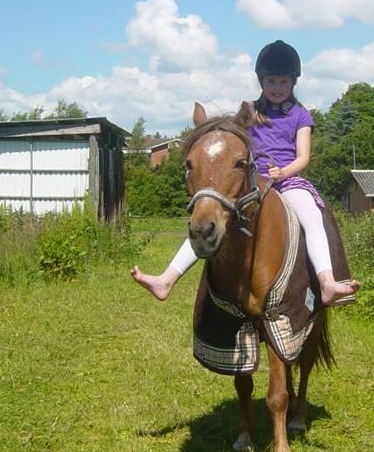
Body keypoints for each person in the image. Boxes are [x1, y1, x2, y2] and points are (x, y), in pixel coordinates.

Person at [131, 40, 360, 306]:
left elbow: (304, 157)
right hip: (251, 182)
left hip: (287, 180)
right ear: (261, 81)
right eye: (271, 81)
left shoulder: (301, 115)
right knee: (210, 216)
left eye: (283, 82)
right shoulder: (249, 112)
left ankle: (327, 281)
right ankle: (166, 279)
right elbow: (231, 145)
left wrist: (283, 172)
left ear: (293, 83)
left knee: (310, 213)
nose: (277, 88)